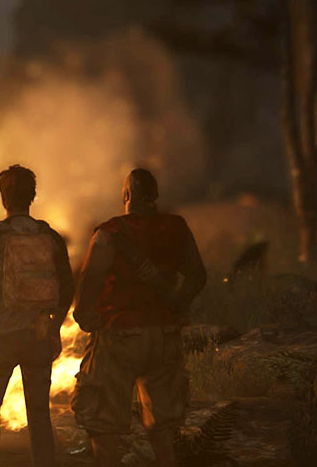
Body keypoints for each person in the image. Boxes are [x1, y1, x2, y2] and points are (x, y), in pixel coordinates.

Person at [71, 168, 207, 467]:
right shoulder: (177, 228)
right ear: (154, 196)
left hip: (117, 336)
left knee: (104, 426)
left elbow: (90, 277)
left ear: (126, 195)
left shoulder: (108, 233)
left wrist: (83, 314)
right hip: (164, 336)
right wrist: (177, 303)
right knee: (162, 429)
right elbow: (198, 275)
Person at [0, 164, 74, 467]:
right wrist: (54, 329)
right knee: (39, 415)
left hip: (0, 338)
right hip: (38, 336)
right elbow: (67, 289)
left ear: (4, 197)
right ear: (33, 196)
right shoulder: (50, 238)